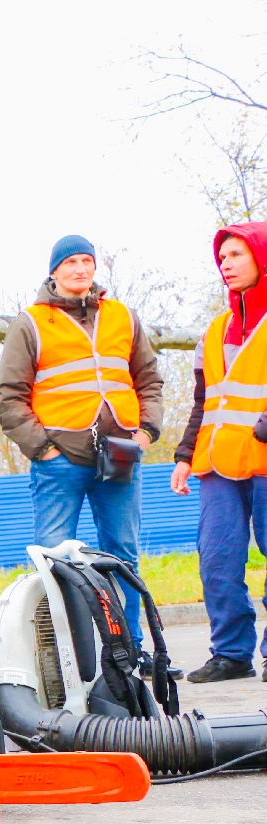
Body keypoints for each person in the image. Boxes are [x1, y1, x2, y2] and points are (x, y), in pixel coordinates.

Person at [0, 234, 165, 670]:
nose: (80, 268)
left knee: (122, 556)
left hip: (121, 454)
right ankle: (62, 657)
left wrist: (146, 432)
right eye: (70, 262)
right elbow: (8, 399)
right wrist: (44, 449)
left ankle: (130, 653)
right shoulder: (30, 322)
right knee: (53, 561)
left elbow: (149, 380)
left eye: (87, 260)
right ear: (54, 271)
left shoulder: (123, 317)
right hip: (61, 461)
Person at [170, 223, 267, 683]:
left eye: (236, 255)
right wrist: (186, 456)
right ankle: (231, 653)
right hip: (218, 465)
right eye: (221, 258)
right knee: (217, 557)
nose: (225, 265)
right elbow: (203, 400)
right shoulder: (214, 330)